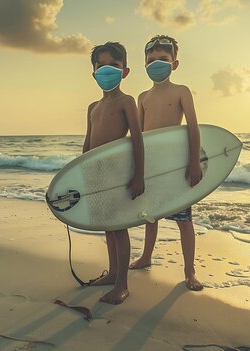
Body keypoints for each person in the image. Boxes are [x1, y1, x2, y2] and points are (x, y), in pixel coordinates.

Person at [128, 35, 204, 291]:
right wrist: (136, 169)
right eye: (151, 60)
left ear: (175, 63)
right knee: (150, 216)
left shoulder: (181, 91)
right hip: (151, 165)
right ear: (144, 65)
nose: (156, 64)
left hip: (175, 165)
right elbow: (136, 136)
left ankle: (189, 271)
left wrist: (194, 163)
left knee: (184, 219)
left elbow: (193, 128)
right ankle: (146, 256)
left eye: (163, 59)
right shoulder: (142, 97)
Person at [83, 42, 145, 304]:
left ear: (125, 71)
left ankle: (122, 284)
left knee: (119, 227)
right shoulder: (92, 107)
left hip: (118, 173)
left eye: (114, 66)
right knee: (107, 226)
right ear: (94, 72)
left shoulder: (126, 101)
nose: (107, 70)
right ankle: (112, 273)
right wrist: (80, 176)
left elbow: (137, 140)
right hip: (97, 175)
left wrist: (139, 175)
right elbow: (87, 145)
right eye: (101, 66)